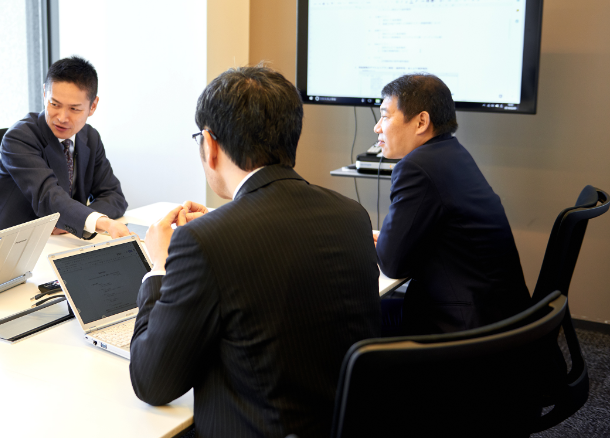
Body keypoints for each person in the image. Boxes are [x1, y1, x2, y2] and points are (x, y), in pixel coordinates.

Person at [129, 65, 381, 437]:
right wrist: (218, 228)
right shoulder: (352, 216)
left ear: (210, 145)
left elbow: (152, 382)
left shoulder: (205, 242)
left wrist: (160, 266)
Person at [373, 73, 531, 335]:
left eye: (385, 116)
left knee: (351, 321)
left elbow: (392, 264)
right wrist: (392, 242)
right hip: (498, 315)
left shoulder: (416, 167)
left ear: (421, 121)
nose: (378, 127)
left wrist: (378, 245)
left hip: (464, 328)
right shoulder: (452, 153)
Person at [0, 56, 128, 255]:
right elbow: (49, 199)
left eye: (74, 109)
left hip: (59, 245)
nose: (62, 117)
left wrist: (72, 220)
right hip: (5, 252)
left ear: (92, 106)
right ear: (44, 94)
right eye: (54, 104)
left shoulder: (90, 138)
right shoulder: (20, 137)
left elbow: (114, 197)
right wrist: (100, 222)